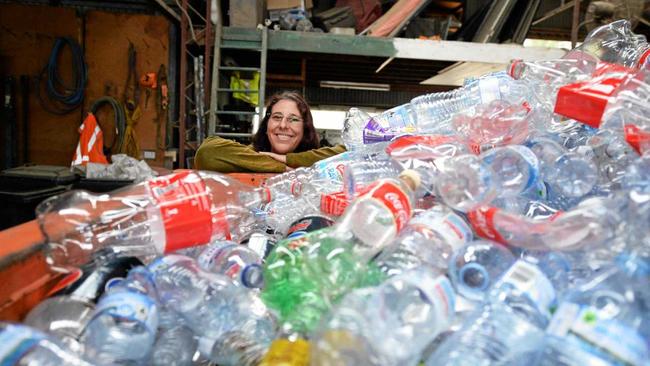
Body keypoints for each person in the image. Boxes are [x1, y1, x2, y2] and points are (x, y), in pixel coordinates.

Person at [195, 91, 346, 173]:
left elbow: (351, 152)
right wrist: (281, 168)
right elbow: (207, 152)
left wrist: (291, 160)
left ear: (305, 129)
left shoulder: (316, 161)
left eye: (293, 119)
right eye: (277, 117)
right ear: (266, 126)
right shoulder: (248, 155)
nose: (283, 125)